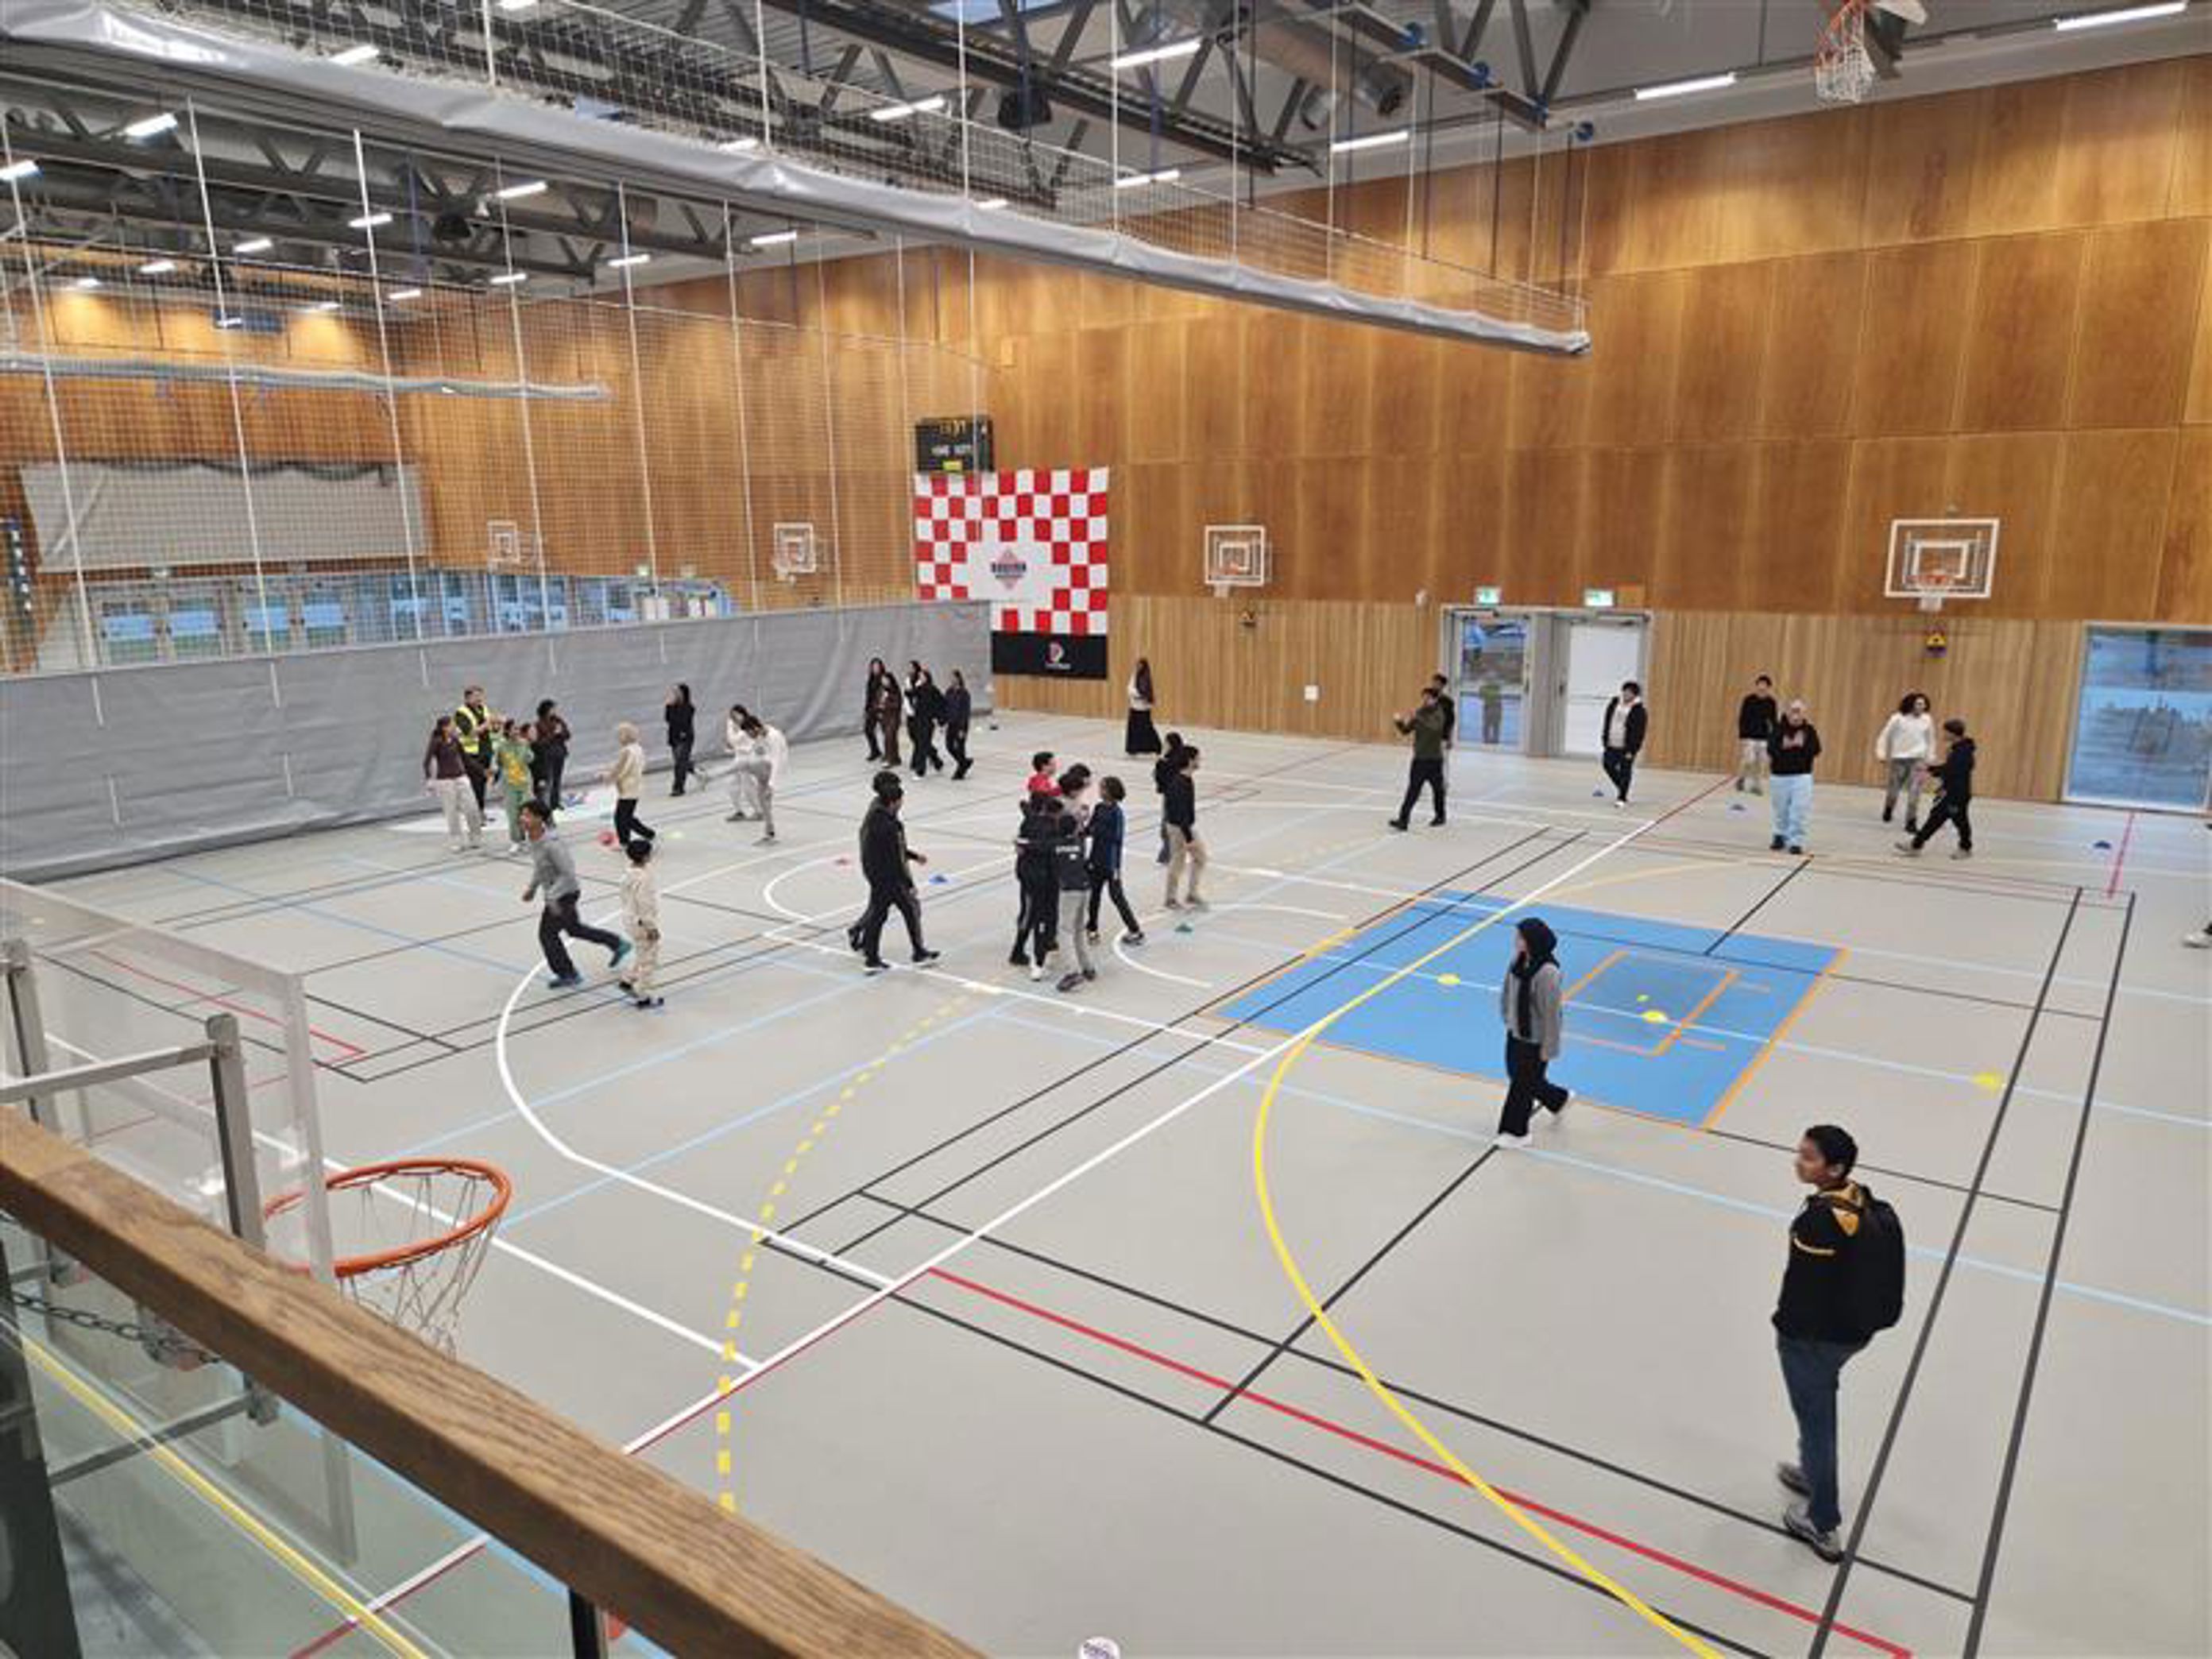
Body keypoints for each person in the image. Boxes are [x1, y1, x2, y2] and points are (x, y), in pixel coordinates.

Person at [1774, 1123, 1878, 1561]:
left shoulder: (1820, 1221)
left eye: (1810, 1157)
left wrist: (1787, 1329)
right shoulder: (1855, 1197)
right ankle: (1812, 1474)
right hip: (1849, 1333)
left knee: (1818, 1423)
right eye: (1800, 1152)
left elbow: (1806, 1289)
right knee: (1814, 1412)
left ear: (1834, 1168)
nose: (1799, 1161)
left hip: (1815, 1340)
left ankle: (1823, 1523)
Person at [520, 802, 630, 991]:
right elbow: (541, 867)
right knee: (574, 929)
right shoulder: (532, 838)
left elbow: (568, 873)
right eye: (522, 814)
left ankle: (568, 973)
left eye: (528, 815)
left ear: (540, 819)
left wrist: (552, 897)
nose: (523, 818)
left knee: (547, 935)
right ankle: (617, 943)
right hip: (554, 894)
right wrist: (532, 888)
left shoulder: (552, 844)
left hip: (565, 894)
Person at [1494, 916, 1569, 1147]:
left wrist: (1549, 1048)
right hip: (1516, 1031)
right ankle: (1558, 1099)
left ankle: (1517, 1132)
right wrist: (1508, 1017)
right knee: (1517, 1074)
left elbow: (1552, 1015)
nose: (1516, 941)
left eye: (1520, 937)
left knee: (1521, 1085)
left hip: (1535, 1040)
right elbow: (1507, 989)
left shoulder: (1547, 973)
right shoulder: (1518, 961)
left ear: (1532, 941)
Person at [855, 771, 938, 972]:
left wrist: (914, 856)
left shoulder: (876, 816)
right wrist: (908, 884)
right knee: (904, 911)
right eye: (901, 799)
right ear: (894, 802)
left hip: (876, 873)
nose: (902, 803)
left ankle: (873, 954)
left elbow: (892, 851)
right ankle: (880, 957)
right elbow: (896, 857)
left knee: (881, 914)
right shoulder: (892, 826)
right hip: (889, 878)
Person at [1896, 718, 1974, 860]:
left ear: (1953, 733)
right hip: (1950, 792)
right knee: (1936, 819)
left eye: (1946, 732)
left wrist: (1930, 769)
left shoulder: (1963, 751)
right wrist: (1936, 775)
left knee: (1960, 821)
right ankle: (1916, 845)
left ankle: (1965, 848)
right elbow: (1950, 769)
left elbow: (1952, 770)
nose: (1943, 734)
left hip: (1957, 794)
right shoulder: (1958, 748)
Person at [1085, 775, 1143, 946]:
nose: (1100, 791)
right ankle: (1092, 927)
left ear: (1111, 792)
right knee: (1093, 896)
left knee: (1117, 896)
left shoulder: (1117, 813)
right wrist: (1080, 828)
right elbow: (1090, 829)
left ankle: (1135, 930)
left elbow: (1115, 838)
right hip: (1095, 860)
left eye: (1103, 788)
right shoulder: (1098, 808)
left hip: (1110, 863)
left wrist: (1097, 831)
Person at [1388, 687, 1449, 831]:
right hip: (1419, 760)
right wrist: (1399, 722)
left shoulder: (1439, 713)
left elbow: (1435, 728)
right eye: (1424, 698)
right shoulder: (1420, 712)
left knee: (1438, 791)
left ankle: (1440, 816)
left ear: (1435, 699)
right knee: (1413, 791)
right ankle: (1403, 820)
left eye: (1428, 698)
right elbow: (1406, 731)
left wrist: (1418, 717)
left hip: (1434, 760)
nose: (1425, 700)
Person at [422, 714, 483, 853]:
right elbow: (426, 762)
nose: (454, 727)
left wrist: (482, 770)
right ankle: (456, 841)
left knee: (472, 808)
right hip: (445, 781)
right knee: (451, 812)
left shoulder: (456, 740)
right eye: (452, 725)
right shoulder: (436, 741)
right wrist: (429, 779)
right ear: (444, 727)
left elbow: (466, 759)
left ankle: (475, 837)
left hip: (461, 777)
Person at [1767, 700, 1822, 856]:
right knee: (1781, 809)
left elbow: (1816, 750)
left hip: (1802, 776)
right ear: (1787, 712)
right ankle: (1780, 835)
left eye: (1799, 712)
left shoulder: (1809, 731)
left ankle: (1796, 841)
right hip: (1779, 776)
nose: (1796, 715)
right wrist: (1786, 746)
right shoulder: (1778, 729)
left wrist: (1802, 745)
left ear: (1804, 714)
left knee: (1799, 809)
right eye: (1793, 711)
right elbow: (1771, 750)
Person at [1874, 692, 1935, 831]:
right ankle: (1889, 808)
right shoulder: (1898, 718)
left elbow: (1931, 740)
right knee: (1893, 792)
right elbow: (1884, 736)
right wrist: (1881, 754)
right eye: (1919, 703)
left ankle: (1911, 822)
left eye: (1924, 704)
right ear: (1911, 704)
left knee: (1915, 792)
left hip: (1918, 760)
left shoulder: (1927, 720)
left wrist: (1930, 757)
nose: (1922, 706)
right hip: (1899, 760)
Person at [616, 838, 664, 1009]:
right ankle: (643, 996)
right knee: (649, 959)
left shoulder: (628, 874)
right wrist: (651, 927)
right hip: (641, 923)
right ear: (646, 857)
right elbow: (644, 904)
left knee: (642, 952)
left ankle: (628, 980)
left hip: (629, 919)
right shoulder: (644, 879)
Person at [1162, 744, 1207, 910]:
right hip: (1178, 828)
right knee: (1178, 862)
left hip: (1184, 826)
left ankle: (1191, 894)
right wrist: (1188, 838)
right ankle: (1170, 899)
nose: (1200, 761)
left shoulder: (1186, 779)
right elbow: (1180, 813)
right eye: (1198, 758)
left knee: (1200, 858)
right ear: (1190, 761)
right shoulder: (1180, 783)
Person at [1599, 680, 1647, 808]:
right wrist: (1605, 739)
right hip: (1611, 744)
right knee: (1607, 764)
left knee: (1626, 770)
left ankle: (1622, 797)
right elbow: (1607, 722)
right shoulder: (1614, 703)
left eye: (1629, 693)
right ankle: (1622, 787)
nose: (1626, 694)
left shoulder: (1639, 711)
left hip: (1627, 747)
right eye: (1624, 691)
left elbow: (1639, 733)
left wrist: (1633, 750)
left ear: (1635, 695)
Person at [491, 718, 536, 855]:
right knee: (513, 814)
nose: (517, 731)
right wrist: (493, 769)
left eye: (518, 729)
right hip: (509, 784)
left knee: (528, 812)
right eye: (514, 729)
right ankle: (516, 841)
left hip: (525, 782)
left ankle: (530, 839)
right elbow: (495, 763)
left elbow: (531, 758)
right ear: (507, 731)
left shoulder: (524, 743)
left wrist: (528, 748)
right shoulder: (501, 746)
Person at [739, 713, 784, 844]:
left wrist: (771, 785)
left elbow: (777, 761)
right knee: (762, 800)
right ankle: (769, 832)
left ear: (755, 728)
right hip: (766, 765)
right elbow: (753, 751)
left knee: (765, 798)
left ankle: (769, 833)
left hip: (776, 766)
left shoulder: (773, 736)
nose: (749, 736)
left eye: (749, 733)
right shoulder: (760, 735)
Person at [609, 721, 653, 851]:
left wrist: (607, 777)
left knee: (620, 816)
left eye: (619, 735)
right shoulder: (638, 748)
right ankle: (648, 833)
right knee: (627, 815)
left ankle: (624, 842)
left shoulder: (626, 751)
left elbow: (618, 770)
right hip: (636, 785)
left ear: (624, 736)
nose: (618, 738)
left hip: (627, 787)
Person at [453, 685, 497, 814]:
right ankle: (476, 812)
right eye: (476, 696)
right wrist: (487, 724)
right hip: (471, 754)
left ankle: (480, 810)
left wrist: (496, 725)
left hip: (485, 751)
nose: (480, 699)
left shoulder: (483, 708)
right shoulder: (461, 712)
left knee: (483, 781)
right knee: (475, 783)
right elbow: (470, 732)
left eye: (481, 696)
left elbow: (490, 728)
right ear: (467, 698)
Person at [1736, 675, 1777, 795]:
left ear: (1768, 687)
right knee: (1749, 760)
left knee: (1760, 763)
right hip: (1750, 736)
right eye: (1760, 684)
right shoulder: (1748, 700)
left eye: (1765, 685)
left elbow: (1773, 721)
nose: (1762, 687)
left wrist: (1774, 737)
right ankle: (1741, 778)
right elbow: (1742, 719)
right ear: (1757, 685)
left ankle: (1756, 786)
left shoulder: (1771, 702)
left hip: (1764, 738)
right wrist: (1742, 736)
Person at [532, 698, 571, 818]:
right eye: (553, 708)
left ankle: (555, 803)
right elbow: (540, 743)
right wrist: (554, 734)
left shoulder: (558, 720)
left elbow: (567, 735)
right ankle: (546, 804)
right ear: (547, 709)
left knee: (558, 779)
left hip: (560, 754)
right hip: (547, 756)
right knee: (548, 780)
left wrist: (561, 733)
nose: (555, 711)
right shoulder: (538, 724)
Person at [1152, 732, 1187, 865]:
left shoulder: (1170, 762)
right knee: (1171, 827)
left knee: (1167, 827)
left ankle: (1168, 856)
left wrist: (1159, 763)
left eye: (1166, 743)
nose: (1164, 745)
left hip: (1173, 798)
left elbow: (1162, 779)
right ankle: (1172, 854)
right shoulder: (1176, 759)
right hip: (1176, 796)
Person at [907, 664, 946, 776]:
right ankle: (938, 762)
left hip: (928, 721)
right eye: (919, 677)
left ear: (927, 677)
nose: (920, 678)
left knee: (922, 745)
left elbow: (941, 704)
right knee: (924, 743)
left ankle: (920, 771)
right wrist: (910, 681)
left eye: (922, 676)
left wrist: (940, 720)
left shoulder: (933, 689)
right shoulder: (919, 688)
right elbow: (909, 693)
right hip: (918, 720)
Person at [724, 703, 759, 822]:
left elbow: (734, 741)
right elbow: (734, 744)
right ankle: (739, 811)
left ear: (742, 714)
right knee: (731, 786)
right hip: (738, 760)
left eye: (736, 715)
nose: (734, 718)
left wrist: (729, 725)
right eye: (732, 716)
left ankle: (759, 811)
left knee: (748, 788)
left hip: (748, 761)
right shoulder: (737, 728)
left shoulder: (747, 727)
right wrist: (732, 749)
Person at [664, 685, 696, 796]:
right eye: (674, 692)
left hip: (685, 737)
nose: (674, 694)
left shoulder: (689, 707)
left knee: (679, 763)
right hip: (674, 737)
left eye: (676, 692)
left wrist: (672, 709)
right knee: (681, 762)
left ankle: (678, 788)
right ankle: (696, 770)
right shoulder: (672, 706)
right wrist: (669, 706)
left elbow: (682, 721)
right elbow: (668, 719)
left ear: (682, 693)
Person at [1125, 658, 1162, 756]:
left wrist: (1140, 695)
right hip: (1134, 706)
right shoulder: (1134, 675)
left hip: (1144, 707)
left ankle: (1156, 747)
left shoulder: (1146, 677)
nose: (1138, 667)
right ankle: (1133, 749)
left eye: (1140, 665)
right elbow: (1129, 688)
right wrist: (1136, 694)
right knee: (1133, 729)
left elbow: (1146, 691)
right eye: (1137, 665)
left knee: (1147, 728)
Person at [871, 667, 904, 768]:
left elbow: (897, 704)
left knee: (889, 738)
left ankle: (890, 759)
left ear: (890, 680)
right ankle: (895, 758)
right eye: (882, 679)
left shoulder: (895, 690)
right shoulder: (881, 690)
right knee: (891, 739)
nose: (883, 681)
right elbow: (875, 702)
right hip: (883, 718)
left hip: (893, 718)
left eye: (885, 679)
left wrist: (885, 705)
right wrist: (877, 708)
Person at [943, 670, 973, 781]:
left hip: (961, 725)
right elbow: (945, 707)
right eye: (950, 678)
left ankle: (960, 772)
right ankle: (964, 762)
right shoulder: (949, 691)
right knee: (949, 746)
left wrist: (962, 729)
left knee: (960, 748)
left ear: (958, 678)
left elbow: (965, 712)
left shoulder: (964, 693)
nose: (951, 680)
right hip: (951, 724)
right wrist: (943, 722)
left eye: (953, 678)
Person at [861, 658, 889, 762]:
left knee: (886, 732)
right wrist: (866, 709)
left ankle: (888, 754)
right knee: (868, 730)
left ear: (881, 667)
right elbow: (868, 696)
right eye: (873, 666)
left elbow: (887, 694)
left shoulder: (884, 678)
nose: (875, 668)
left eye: (877, 666)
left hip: (881, 709)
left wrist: (882, 709)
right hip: (872, 709)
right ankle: (875, 751)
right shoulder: (871, 679)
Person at [1429, 673, 1458, 747]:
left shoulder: (1448, 702)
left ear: (1442, 686)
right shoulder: (1428, 699)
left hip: (1442, 737)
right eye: (1433, 683)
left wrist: (1450, 739)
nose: (1434, 686)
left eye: (1437, 684)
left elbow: (1451, 722)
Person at [1479, 679, 1504, 746]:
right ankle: (1490, 742)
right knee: (1491, 727)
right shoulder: (1494, 688)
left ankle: (1491, 742)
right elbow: (1481, 695)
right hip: (1492, 707)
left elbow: (1481, 695)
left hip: (1493, 707)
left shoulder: (1495, 689)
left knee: (1492, 726)